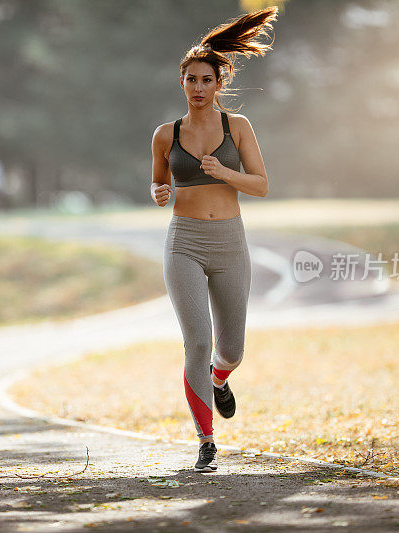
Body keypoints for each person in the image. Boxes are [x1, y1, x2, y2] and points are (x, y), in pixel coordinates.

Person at [150, 7, 277, 472]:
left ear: (219, 83)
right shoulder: (166, 135)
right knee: (197, 343)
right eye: (191, 80)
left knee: (231, 350)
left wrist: (226, 172)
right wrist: (159, 192)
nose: (199, 87)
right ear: (181, 83)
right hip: (183, 240)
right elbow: (159, 184)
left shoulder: (237, 127)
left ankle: (219, 381)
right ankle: (206, 441)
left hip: (229, 242)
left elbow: (262, 185)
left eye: (207, 80)